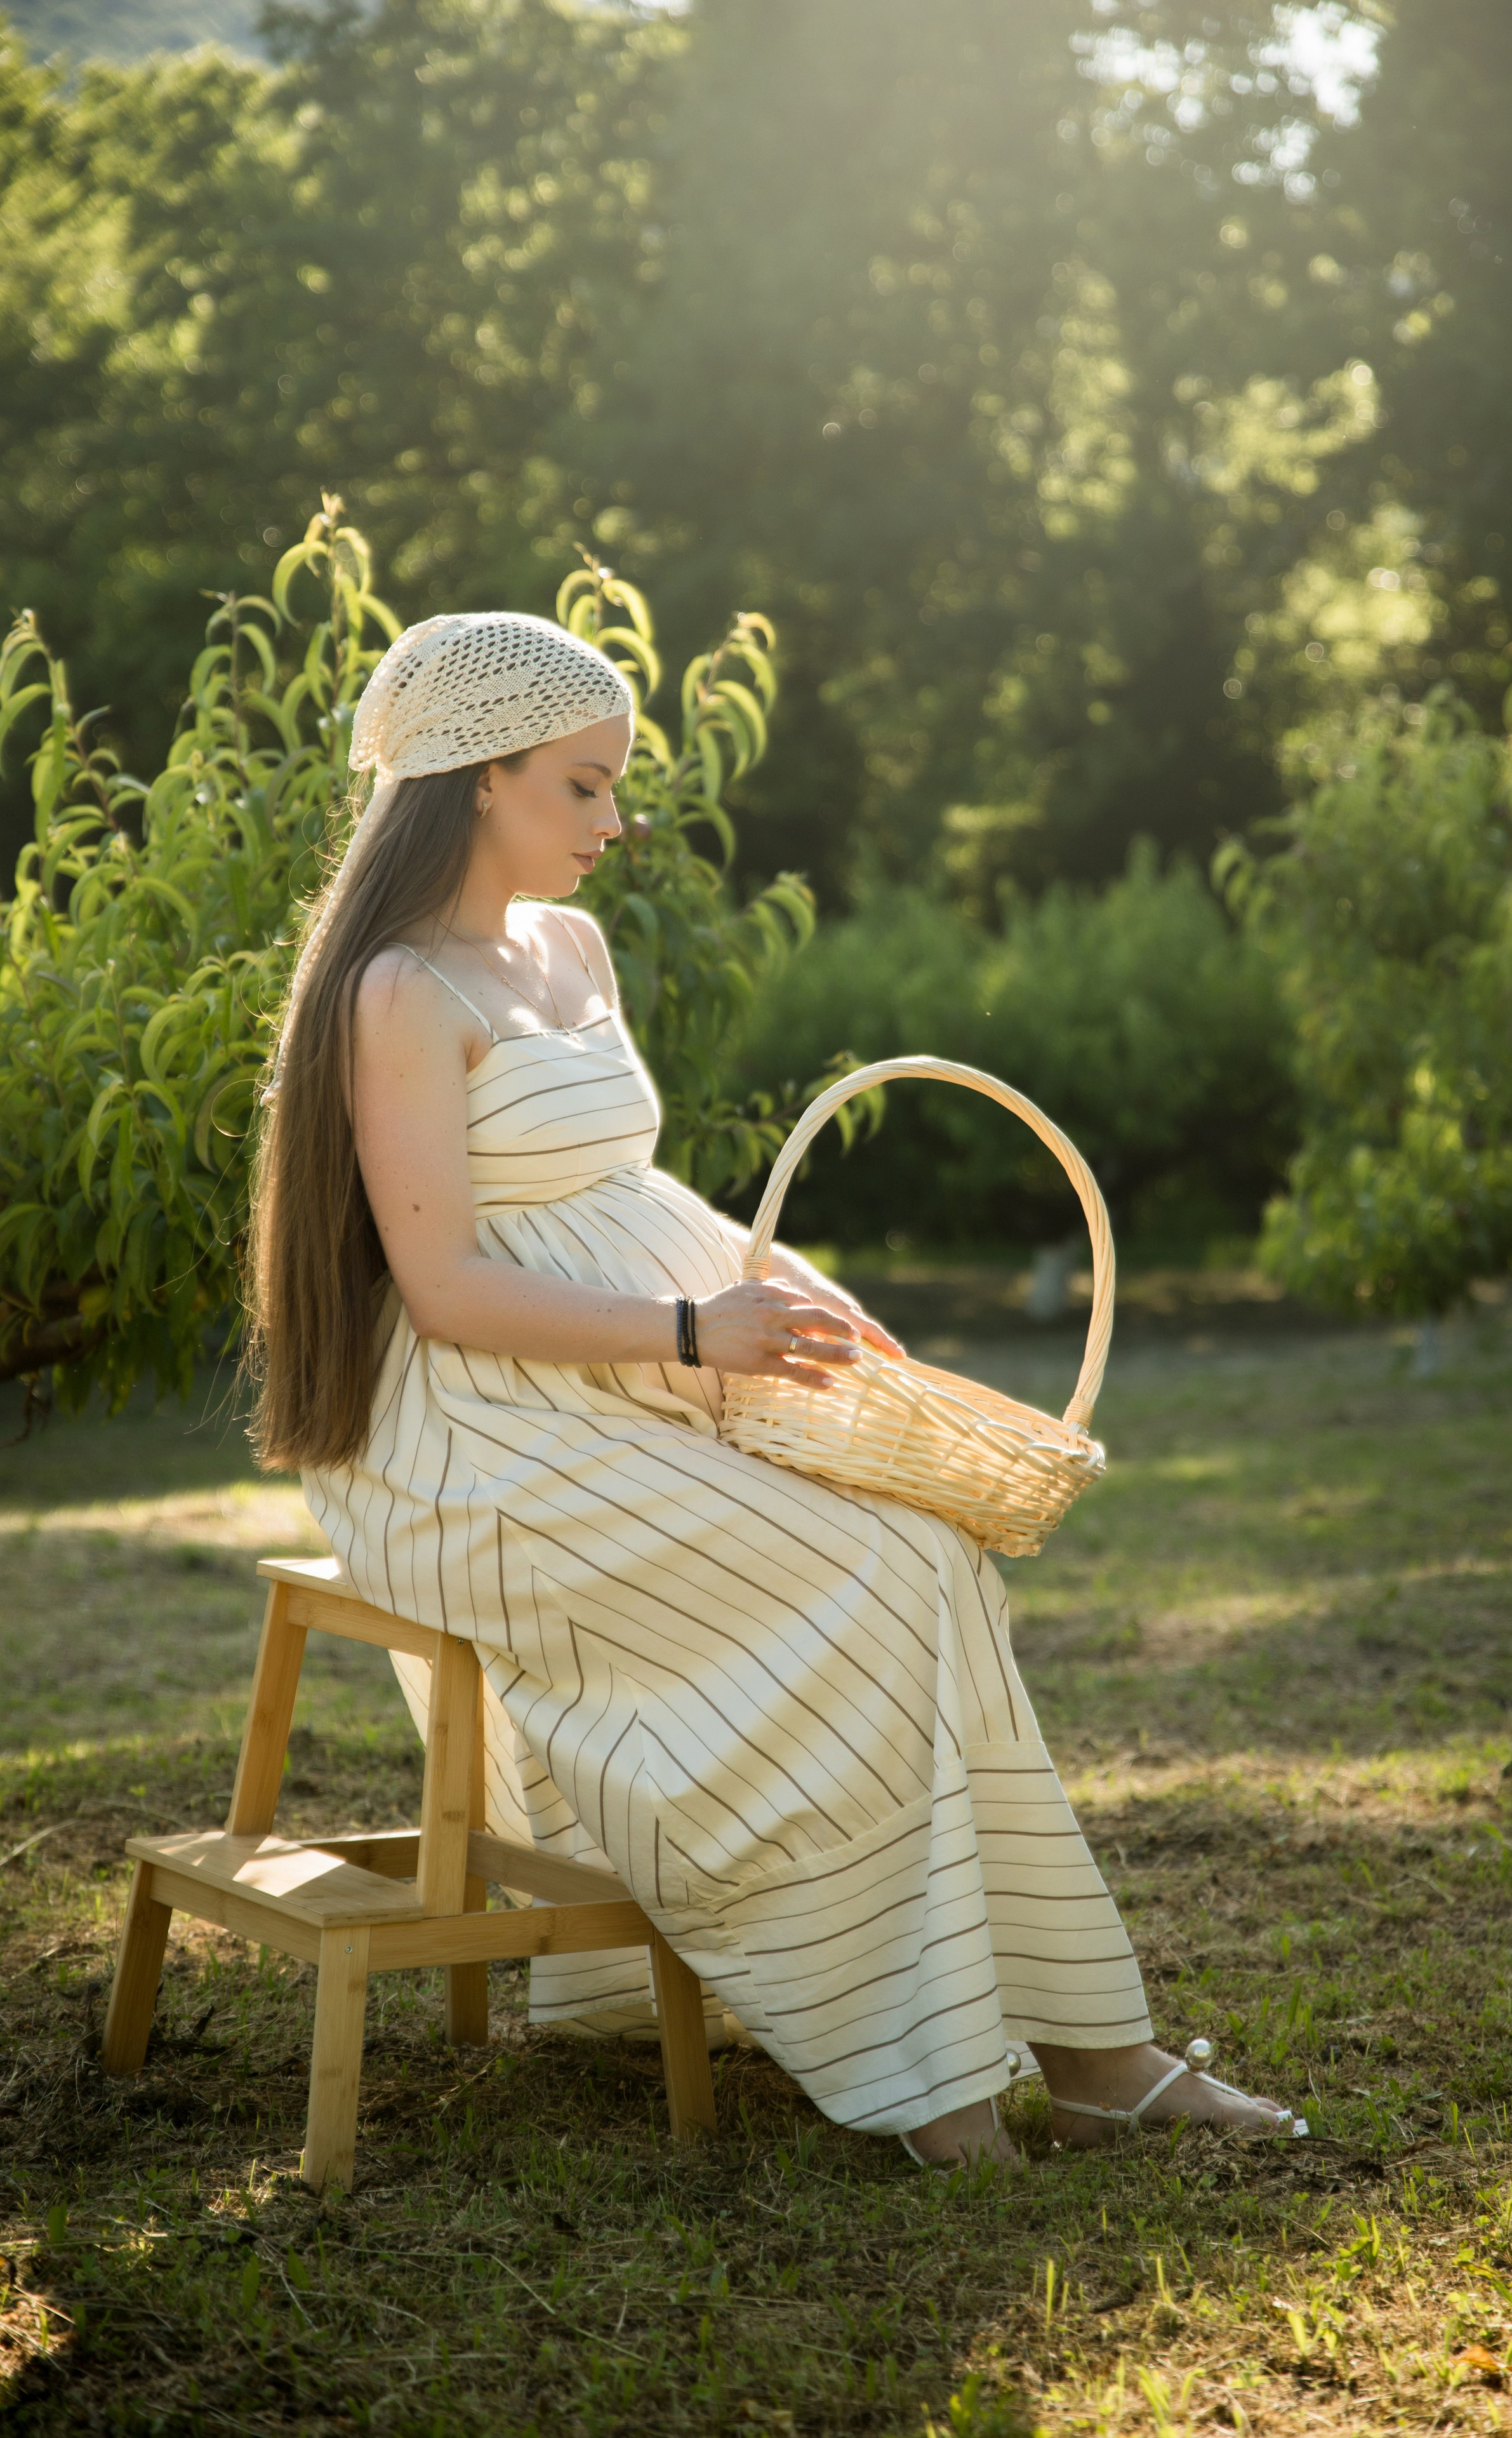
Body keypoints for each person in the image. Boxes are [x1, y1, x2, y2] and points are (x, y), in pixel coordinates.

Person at [246, 610, 1299, 2166]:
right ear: (477, 779)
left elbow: (613, 1182)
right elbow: (446, 1284)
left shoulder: (568, 944)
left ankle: (1094, 2052)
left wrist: (781, 1286)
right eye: (585, 788)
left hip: (623, 1363)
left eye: (616, 788)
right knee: (865, 1573)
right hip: (468, 1424)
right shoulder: (400, 990)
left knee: (933, 1557)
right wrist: (686, 1331)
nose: (618, 822)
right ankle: (927, 2070)